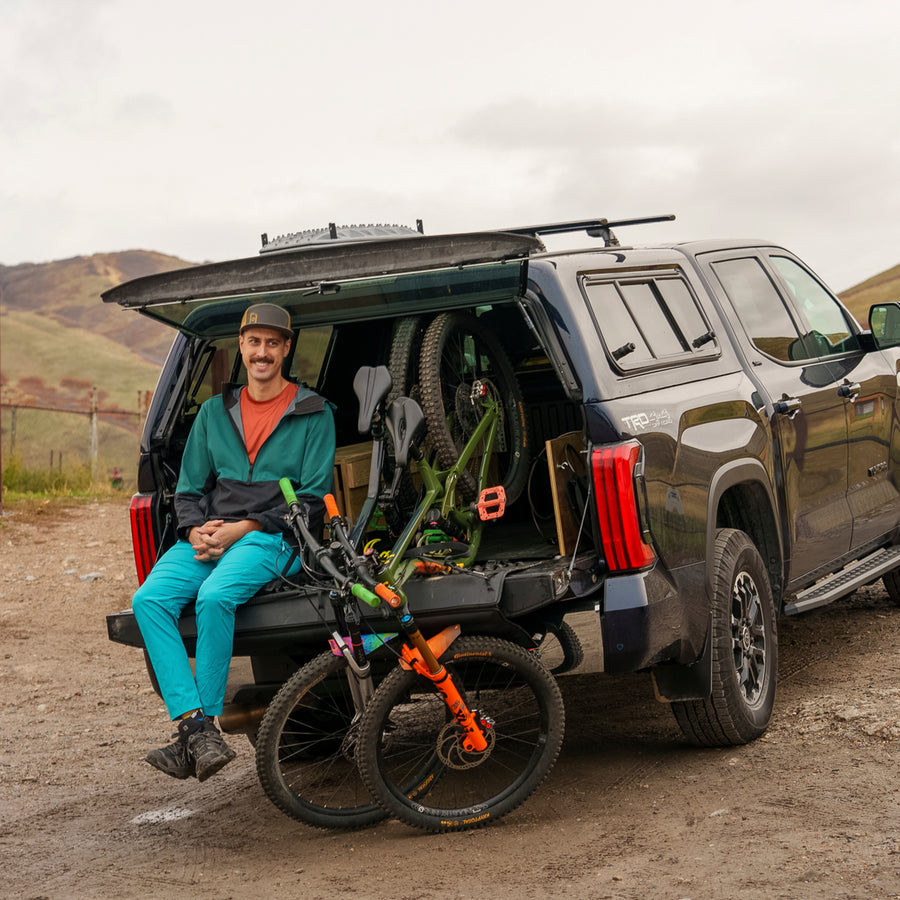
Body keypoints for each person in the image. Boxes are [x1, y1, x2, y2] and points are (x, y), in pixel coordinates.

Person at [132, 303, 335, 782]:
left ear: (286, 348)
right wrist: (193, 531)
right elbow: (188, 490)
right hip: (210, 534)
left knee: (215, 596)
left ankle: (197, 736)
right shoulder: (211, 413)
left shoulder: (314, 412)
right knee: (149, 600)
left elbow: (309, 501)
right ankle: (198, 728)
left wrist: (242, 529)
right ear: (240, 347)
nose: (261, 352)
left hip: (271, 535)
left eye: (272, 343)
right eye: (253, 342)